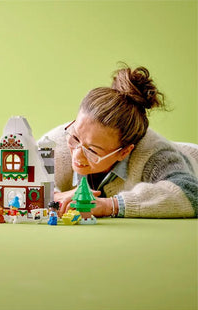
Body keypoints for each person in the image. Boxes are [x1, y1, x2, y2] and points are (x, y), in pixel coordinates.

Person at [41, 65, 198, 218]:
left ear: (124, 151)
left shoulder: (155, 153)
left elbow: (191, 193)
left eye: (92, 151)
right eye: (75, 138)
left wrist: (110, 205)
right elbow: (22, 177)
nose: (77, 155)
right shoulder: (56, 141)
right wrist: (53, 196)